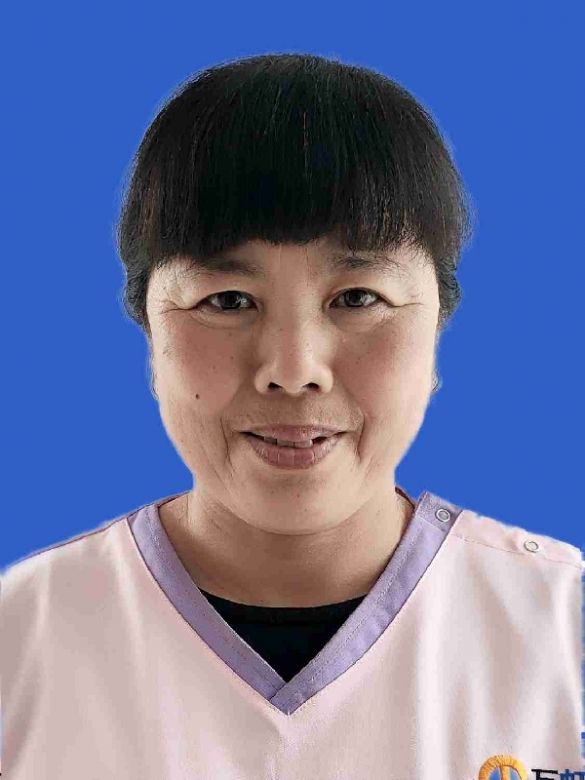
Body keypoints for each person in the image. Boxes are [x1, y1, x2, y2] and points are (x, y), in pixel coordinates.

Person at [1, 52, 582, 778]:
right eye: (227, 301)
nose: (293, 367)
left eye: (358, 297)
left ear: (438, 323)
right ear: (148, 329)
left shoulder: (565, 633)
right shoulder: (20, 641)